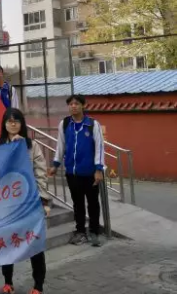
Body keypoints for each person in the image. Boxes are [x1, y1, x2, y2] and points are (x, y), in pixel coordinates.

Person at [0, 108, 50, 294]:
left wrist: (44, 201)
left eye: (16, 120)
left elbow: (40, 174)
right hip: (7, 204)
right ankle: (8, 282)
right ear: (4, 124)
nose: (13, 123)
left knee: (34, 243)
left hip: (29, 203)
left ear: (22, 124)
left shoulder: (32, 145)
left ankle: (38, 285)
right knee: (7, 244)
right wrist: (11, 150)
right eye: (9, 120)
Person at [48, 94, 105, 247]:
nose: (73, 106)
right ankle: (80, 231)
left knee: (93, 204)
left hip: (90, 173)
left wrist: (98, 169)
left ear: (83, 105)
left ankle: (94, 232)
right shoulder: (65, 124)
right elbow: (60, 145)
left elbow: (99, 147)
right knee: (77, 204)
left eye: (76, 103)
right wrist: (55, 164)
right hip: (72, 173)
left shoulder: (93, 124)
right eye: (71, 104)